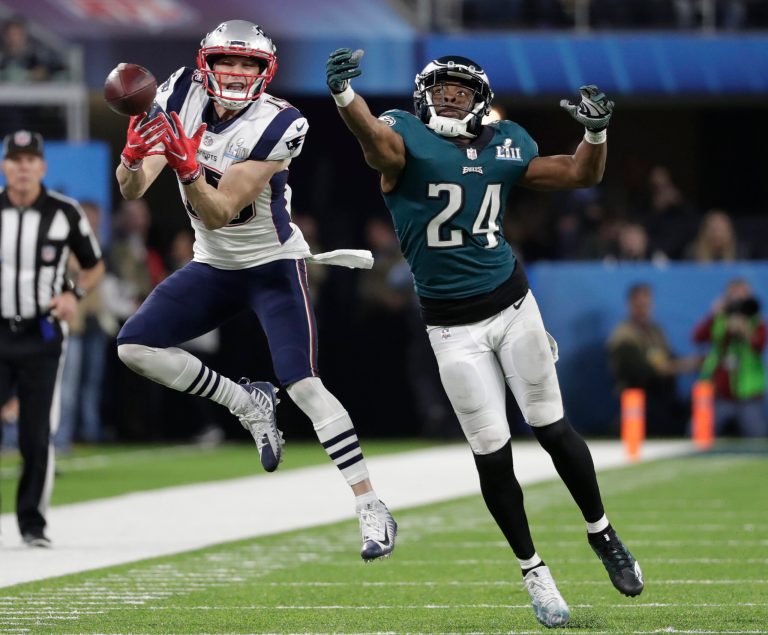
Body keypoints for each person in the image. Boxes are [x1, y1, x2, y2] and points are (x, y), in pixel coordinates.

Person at [326, 49, 642, 627]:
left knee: (552, 428)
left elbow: (578, 173)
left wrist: (595, 132)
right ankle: (534, 571)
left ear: (479, 100)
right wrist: (347, 99)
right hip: (451, 326)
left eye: (460, 90)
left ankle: (603, 534)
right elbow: (376, 142)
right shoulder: (403, 137)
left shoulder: (505, 142)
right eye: (440, 88)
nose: (449, 97)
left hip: (514, 305)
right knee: (492, 451)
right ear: (424, 95)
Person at [114, 20, 396, 561]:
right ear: (205, 64)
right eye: (228, 62)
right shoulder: (177, 92)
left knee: (305, 387)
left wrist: (187, 164)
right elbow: (135, 186)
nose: (237, 73)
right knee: (134, 347)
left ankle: (371, 505)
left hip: (271, 265)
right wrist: (131, 157)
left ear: (265, 72)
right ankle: (245, 403)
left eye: (249, 64)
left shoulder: (281, 122)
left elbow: (219, 212)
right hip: (212, 267)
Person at [0, 130, 104, 547]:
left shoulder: (65, 211)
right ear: (5, 165)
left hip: (42, 333)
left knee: (36, 432)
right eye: (15, 160)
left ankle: (33, 524)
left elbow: (94, 265)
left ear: (42, 167)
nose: (23, 168)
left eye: (30, 161)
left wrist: (72, 294)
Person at [607, 283, 698, 436]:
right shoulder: (623, 335)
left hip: (663, 395)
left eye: (647, 304)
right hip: (638, 396)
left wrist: (688, 363)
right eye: (639, 304)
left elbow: (669, 356)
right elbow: (641, 371)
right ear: (630, 304)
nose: (644, 308)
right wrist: (676, 367)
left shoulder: (656, 330)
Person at [692, 279, 767, 437]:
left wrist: (745, 331)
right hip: (721, 395)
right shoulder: (719, 320)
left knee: (757, 436)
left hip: (749, 396)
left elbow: (759, 346)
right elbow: (698, 337)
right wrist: (714, 314)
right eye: (735, 296)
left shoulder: (757, 323)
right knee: (697, 433)